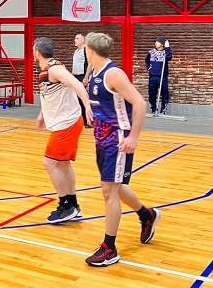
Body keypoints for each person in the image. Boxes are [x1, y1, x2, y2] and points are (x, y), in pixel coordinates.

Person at [83, 32, 159, 268]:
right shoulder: (94, 71)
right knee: (115, 186)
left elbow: (139, 103)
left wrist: (133, 137)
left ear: (90, 50)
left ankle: (109, 248)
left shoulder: (113, 74)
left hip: (118, 138)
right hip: (101, 137)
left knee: (109, 191)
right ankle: (147, 215)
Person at [34, 37, 93, 223]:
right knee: (63, 164)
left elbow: (77, 85)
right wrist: (42, 113)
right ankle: (73, 206)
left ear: (36, 51)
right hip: (65, 122)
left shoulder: (55, 69)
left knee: (49, 163)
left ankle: (66, 205)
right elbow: (50, 94)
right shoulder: (48, 70)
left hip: (66, 124)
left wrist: (87, 105)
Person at [145, 37, 172, 115]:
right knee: (152, 93)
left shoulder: (165, 52)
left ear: (162, 44)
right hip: (153, 76)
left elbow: (169, 57)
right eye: (156, 41)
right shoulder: (151, 52)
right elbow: (147, 60)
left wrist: (167, 47)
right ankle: (153, 107)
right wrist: (149, 68)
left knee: (164, 93)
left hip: (163, 76)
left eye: (158, 42)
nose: (156, 43)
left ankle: (163, 109)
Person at [71, 34, 92, 129]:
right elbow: (75, 65)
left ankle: (88, 121)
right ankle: (81, 120)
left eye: (77, 38)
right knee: (76, 99)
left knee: (83, 99)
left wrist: (86, 77)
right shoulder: (76, 51)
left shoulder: (86, 49)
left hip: (82, 76)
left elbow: (90, 64)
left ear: (83, 40)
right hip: (75, 77)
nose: (75, 40)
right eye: (75, 38)